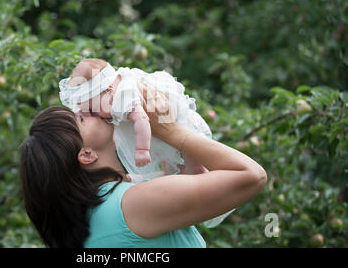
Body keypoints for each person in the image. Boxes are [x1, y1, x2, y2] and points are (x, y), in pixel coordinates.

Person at [18, 83, 267, 247]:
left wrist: (171, 118)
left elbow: (192, 177)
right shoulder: (133, 203)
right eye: (82, 118)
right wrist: (173, 133)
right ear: (86, 154)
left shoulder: (95, 212)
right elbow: (252, 175)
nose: (91, 110)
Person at [59, 58, 212, 182]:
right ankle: (173, 173)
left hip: (171, 115)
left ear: (108, 91)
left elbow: (142, 119)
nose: (94, 115)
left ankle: (197, 169)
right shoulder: (109, 95)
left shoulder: (123, 97)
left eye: (93, 110)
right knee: (171, 160)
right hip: (160, 123)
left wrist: (142, 150)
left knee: (188, 153)